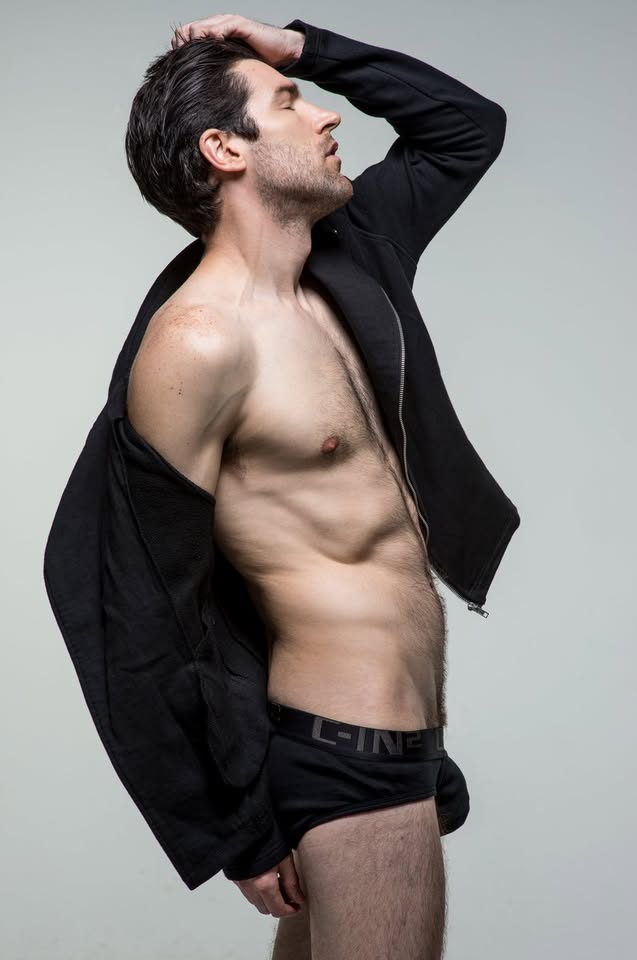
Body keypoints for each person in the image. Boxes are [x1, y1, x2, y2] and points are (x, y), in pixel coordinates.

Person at [44, 14, 519, 960]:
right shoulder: (198, 344)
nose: (328, 117)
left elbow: (467, 127)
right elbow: (138, 609)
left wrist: (299, 49)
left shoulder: (353, 254)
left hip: (389, 740)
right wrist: (232, 828)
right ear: (224, 149)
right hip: (348, 755)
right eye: (292, 104)